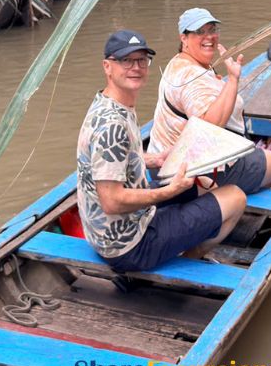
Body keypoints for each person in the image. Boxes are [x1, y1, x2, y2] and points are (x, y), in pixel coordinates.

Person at [76, 29, 245, 273]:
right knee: (236, 197)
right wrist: (169, 191)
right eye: (126, 60)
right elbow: (111, 202)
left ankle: (180, 237)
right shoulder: (112, 125)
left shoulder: (107, 103)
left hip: (106, 232)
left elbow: (110, 157)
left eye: (141, 60)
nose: (136, 67)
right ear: (107, 66)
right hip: (129, 246)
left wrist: (153, 159)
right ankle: (189, 261)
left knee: (204, 185)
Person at [148, 7, 271, 194]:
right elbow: (208, 126)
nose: (209, 37)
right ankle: (227, 193)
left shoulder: (179, 62)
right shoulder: (190, 75)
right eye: (200, 31)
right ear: (184, 38)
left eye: (212, 30)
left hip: (162, 163)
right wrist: (233, 79)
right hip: (190, 171)